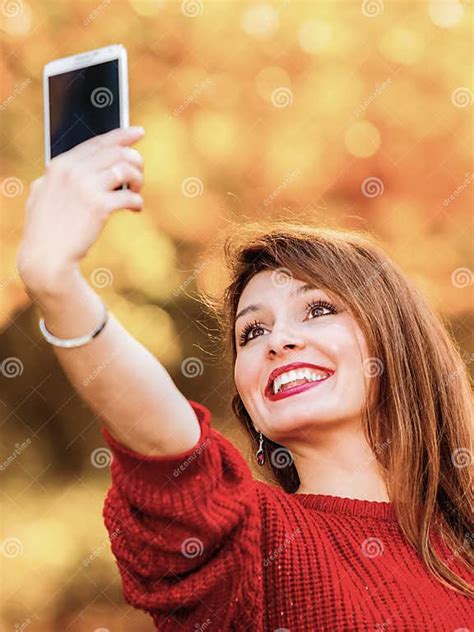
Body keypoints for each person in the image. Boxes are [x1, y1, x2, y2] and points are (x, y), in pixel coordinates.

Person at [17, 127, 473, 631]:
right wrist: (57, 284)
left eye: (317, 309)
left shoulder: (462, 548)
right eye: (252, 331)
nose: (278, 341)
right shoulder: (253, 541)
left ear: (397, 342)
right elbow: (170, 451)